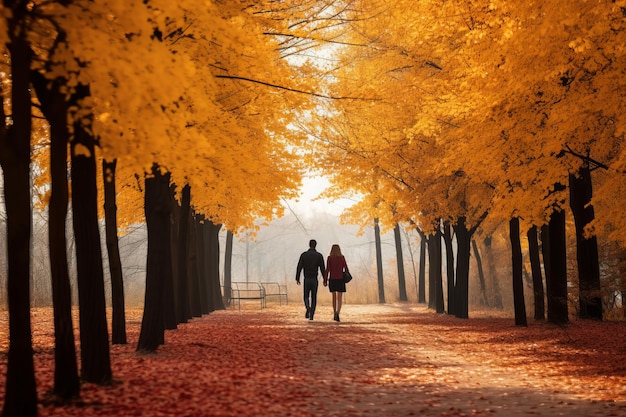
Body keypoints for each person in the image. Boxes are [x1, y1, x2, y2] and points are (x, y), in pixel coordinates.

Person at [295, 239, 325, 321]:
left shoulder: (304, 255)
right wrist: (325, 279)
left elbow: (299, 267)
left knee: (306, 296)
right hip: (314, 279)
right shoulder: (319, 256)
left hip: (307, 278)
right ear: (316, 245)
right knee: (314, 297)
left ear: (309, 245)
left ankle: (308, 307)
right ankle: (312, 314)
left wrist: (297, 278)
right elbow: (322, 268)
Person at [324, 244, 349, 322]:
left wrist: (325, 280)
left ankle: (334, 312)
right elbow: (346, 268)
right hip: (340, 279)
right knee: (340, 297)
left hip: (332, 279)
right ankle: (338, 312)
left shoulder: (329, 258)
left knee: (334, 297)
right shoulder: (342, 258)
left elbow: (327, 269)